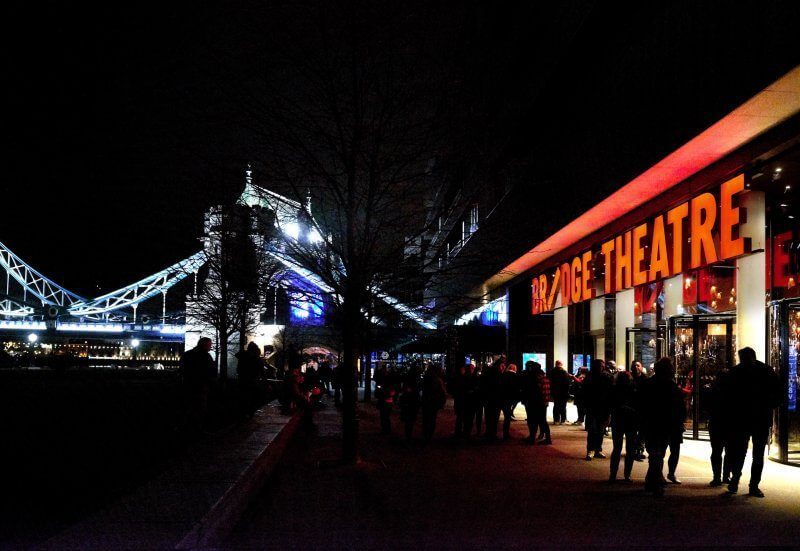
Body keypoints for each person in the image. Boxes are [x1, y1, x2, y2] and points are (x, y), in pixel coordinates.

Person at [725, 347, 780, 497]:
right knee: (757, 454)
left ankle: (735, 480)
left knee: (740, 452)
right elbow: (777, 393)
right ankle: (753, 485)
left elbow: (727, 396)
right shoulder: (766, 371)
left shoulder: (735, 372)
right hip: (760, 418)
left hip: (742, 418)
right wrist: (769, 406)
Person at [640, 357, 685, 496]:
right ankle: (655, 483)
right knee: (657, 454)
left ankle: (651, 481)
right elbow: (679, 407)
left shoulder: (649, 384)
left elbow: (642, 406)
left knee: (655, 454)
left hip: (653, 424)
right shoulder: (670, 386)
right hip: (663, 424)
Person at [179, 337, 217, 433]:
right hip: (201, 386)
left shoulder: (187, 354)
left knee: (187, 407)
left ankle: (184, 427)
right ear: (205, 345)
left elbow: (182, 369)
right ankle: (197, 428)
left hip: (188, 385)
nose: (210, 347)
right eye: (209, 345)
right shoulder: (206, 357)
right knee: (200, 408)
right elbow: (211, 372)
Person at [609, 371, 638, 482]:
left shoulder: (614, 389)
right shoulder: (633, 390)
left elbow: (611, 405)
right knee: (630, 449)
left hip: (619, 420)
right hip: (630, 421)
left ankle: (613, 474)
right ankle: (627, 474)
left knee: (617, 448)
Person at [582, 359, 612, 460]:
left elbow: (610, 391)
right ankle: (590, 450)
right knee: (592, 430)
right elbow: (585, 392)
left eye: (602, 366)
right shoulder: (589, 377)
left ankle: (598, 449)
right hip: (592, 407)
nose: (602, 367)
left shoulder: (606, 377)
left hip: (603, 407)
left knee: (600, 430)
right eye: (600, 366)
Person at [708, 368, 732, 486]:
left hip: (716, 423)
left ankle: (717, 477)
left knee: (716, 451)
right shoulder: (732, 392)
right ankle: (725, 476)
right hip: (728, 423)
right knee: (728, 451)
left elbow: (708, 407)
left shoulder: (713, 390)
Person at [236, 341, 265, 418]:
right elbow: (262, 372)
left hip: (242, 381)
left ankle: (243, 414)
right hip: (253, 382)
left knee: (244, 398)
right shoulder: (258, 359)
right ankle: (250, 414)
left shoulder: (242, 357)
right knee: (253, 398)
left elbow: (238, 369)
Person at [421, 364, 447, 441]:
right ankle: (429, 435)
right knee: (432, 419)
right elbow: (442, 392)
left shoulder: (425, 378)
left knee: (426, 419)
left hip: (426, 401)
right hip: (433, 402)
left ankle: (425, 434)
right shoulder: (437, 380)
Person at [481, 356, 505, 441]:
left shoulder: (489, 373)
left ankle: (488, 433)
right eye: (502, 366)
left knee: (489, 417)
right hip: (495, 399)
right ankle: (492, 434)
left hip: (488, 399)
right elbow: (500, 388)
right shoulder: (498, 375)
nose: (504, 368)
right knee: (494, 418)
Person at [500, 363, 519, 440]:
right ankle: (506, 434)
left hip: (503, 398)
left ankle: (505, 433)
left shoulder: (503, 375)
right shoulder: (515, 377)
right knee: (507, 418)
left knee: (506, 416)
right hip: (510, 399)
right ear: (515, 369)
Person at [533, 362, 552, 444]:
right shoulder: (546, 378)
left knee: (542, 421)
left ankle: (547, 438)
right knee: (543, 420)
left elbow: (538, 391)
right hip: (545, 402)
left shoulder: (539, 379)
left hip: (540, 402)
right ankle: (546, 437)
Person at [550, 360, 571, 424]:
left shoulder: (552, 372)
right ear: (561, 364)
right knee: (563, 406)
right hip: (563, 392)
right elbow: (567, 383)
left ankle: (556, 420)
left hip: (555, 392)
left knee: (556, 405)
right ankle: (563, 420)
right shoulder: (564, 372)